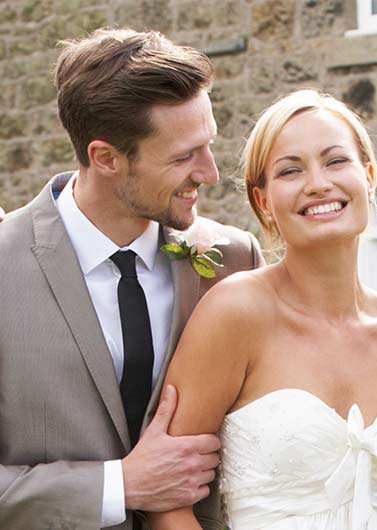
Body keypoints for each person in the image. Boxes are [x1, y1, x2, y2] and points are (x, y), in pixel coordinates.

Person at [148, 89, 377, 529]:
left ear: (370, 175)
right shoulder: (234, 313)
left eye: (336, 161)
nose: (318, 183)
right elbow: (166, 502)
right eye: (290, 170)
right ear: (263, 200)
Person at [0, 28, 263, 529]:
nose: (209, 172)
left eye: (208, 144)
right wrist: (119, 486)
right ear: (105, 158)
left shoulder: (232, 259)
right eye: (184, 156)